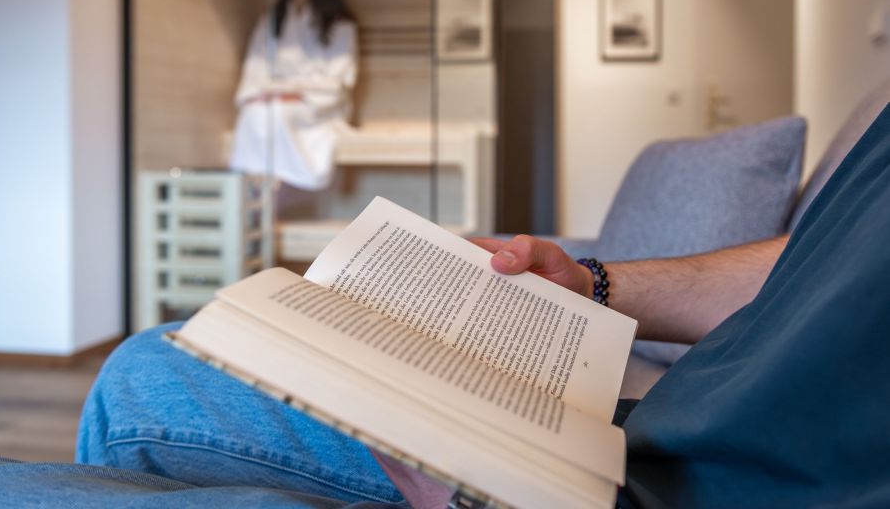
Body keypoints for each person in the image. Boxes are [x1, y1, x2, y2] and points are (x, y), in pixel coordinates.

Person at [65, 105, 890, 508]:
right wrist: (595, 285)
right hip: (648, 423)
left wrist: (467, 490)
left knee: (141, 395)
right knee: (154, 360)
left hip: (643, 490)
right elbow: (809, 273)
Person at [230, 0, 357, 191]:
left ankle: (281, 191)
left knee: (275, 115)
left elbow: (339, 80)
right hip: (273, 98)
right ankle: (252, 196)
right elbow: (255, 68)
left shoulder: (339, 24)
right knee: (253, 115)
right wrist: (268, 93)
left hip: (316, 105)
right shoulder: (272, 20)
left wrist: (295, 93)